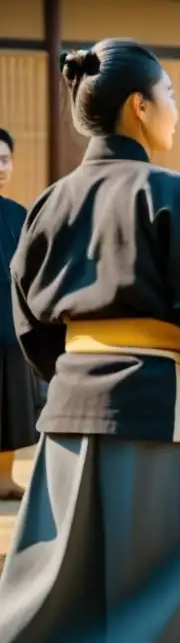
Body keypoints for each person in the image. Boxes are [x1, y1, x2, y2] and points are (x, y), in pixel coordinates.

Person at [0, 39, 180, 641]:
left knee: (63, 583)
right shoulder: (176, 196)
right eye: (168, 95)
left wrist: (69, 376)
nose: (175, 108)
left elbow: (28, 320)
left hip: (68, 414)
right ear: (139, 106)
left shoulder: (47, 203)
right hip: (159, 413)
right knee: (162, 584)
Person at [0, 128, 39, 501]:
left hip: (10, 328)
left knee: (10, 405)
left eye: (5, 159)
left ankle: (5, 478)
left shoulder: (19, 215)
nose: (0, 167)